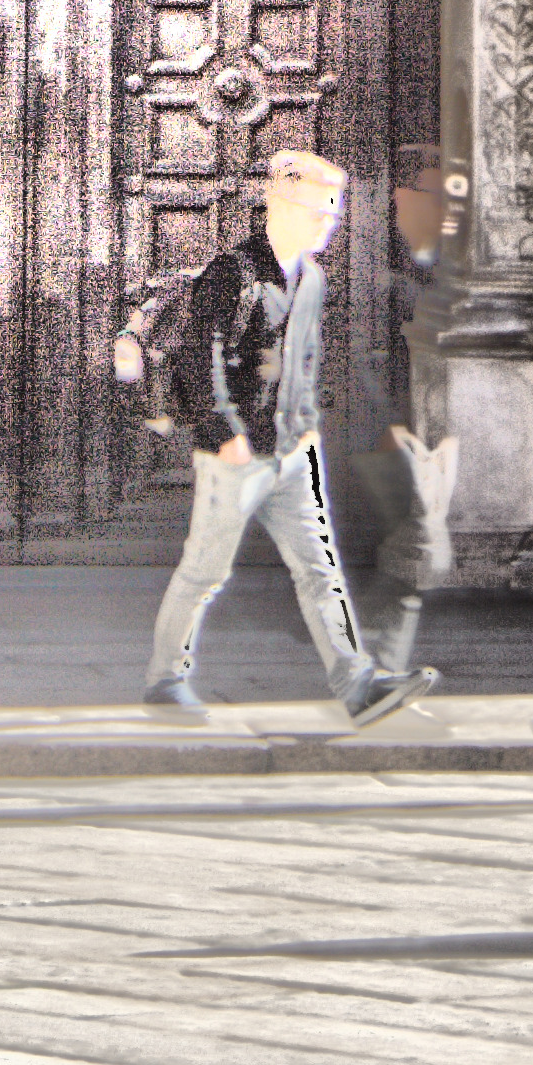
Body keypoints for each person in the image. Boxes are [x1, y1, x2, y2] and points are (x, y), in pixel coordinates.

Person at [117, 145, 438, 728]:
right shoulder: (231, 275)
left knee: (321, 572)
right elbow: (199, 360)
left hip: (294, 451)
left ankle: (358, 684)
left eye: (334, 211)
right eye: (322, 210)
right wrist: (223, 433)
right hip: (237, 455)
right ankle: (165, 681)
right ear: (282, 206)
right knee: (204, 573)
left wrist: (308, 428)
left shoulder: (311, 278)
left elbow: (305, 360)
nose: (330, 222)